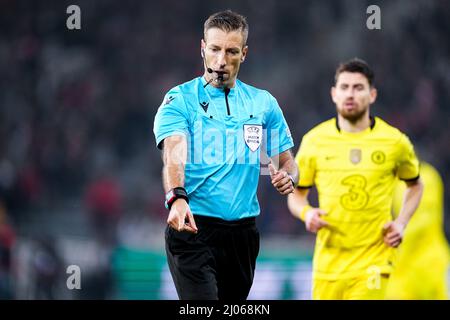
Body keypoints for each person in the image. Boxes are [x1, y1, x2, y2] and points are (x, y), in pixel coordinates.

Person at [153, 10, 298, 300]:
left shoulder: (263, 103)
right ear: (202, 48)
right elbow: (174, 155)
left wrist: (289, 178)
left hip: (242, 235)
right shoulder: (180, 99)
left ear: (243, 53)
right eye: (215, 49)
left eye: (231, 51)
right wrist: (177, 198)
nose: (221, 60)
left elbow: (287, 162)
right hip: (193, 226)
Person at [287, 58, 424, 300]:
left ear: (372, 95)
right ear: (333, 94)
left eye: (358, 88)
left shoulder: (395, 142)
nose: (350, 94)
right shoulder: (315, 141)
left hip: (374, 260)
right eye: (344, 87)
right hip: (328, 264)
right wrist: (307, 213)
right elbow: (296, 195)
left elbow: (415, 185)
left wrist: (401, 222)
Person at [386, 161, 449, 300]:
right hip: (403, 269)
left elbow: (423, 221)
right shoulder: (392, 182)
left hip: (429, 265)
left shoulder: (425, 177)